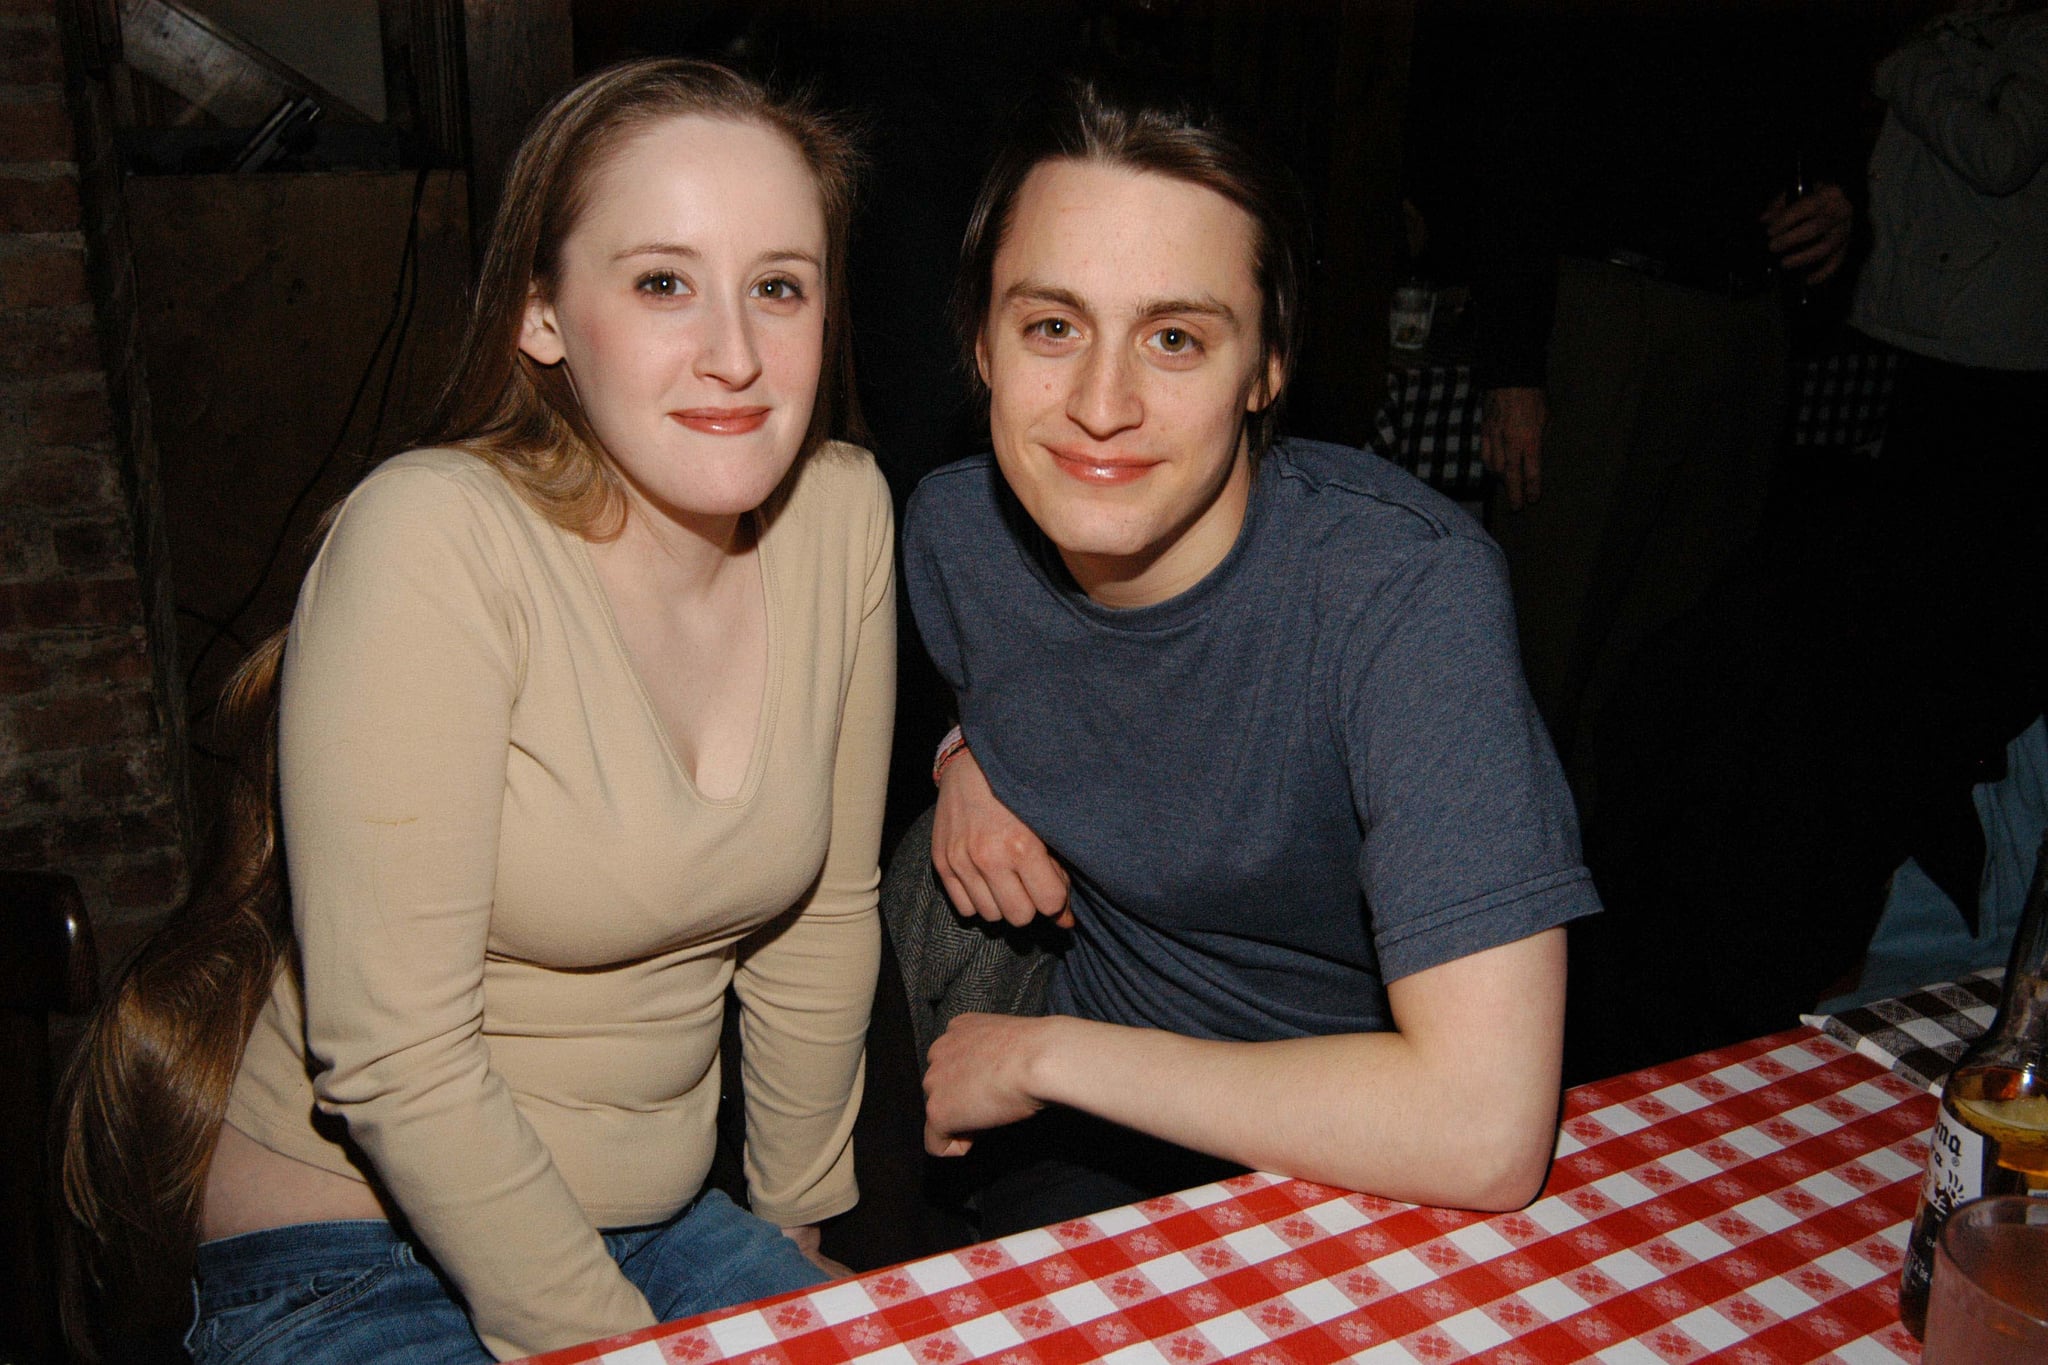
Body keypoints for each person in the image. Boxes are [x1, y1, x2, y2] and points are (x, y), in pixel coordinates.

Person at [57, 59, 894, 1364]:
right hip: (350, 1238)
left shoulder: (843, 516)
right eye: (662, 281)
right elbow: (399, 1058)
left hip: (660, 1212)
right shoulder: (435, 539)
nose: (735, 352)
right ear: (542, 315)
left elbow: (823, 923)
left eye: (777, 285)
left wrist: (794, 1223)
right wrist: (603, 1341)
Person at [900, 74, 1600, 1236]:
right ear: (980, 342)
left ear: (1266, 366)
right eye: (1052, 326)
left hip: (1358, 1153)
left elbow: (1483, 1132)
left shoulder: (1401, 596)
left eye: (1174, 338)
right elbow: (1073, 690)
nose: (1099, 403)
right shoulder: (951, 533)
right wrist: (962, 752)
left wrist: (1048, 1058)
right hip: (1081, 1160)